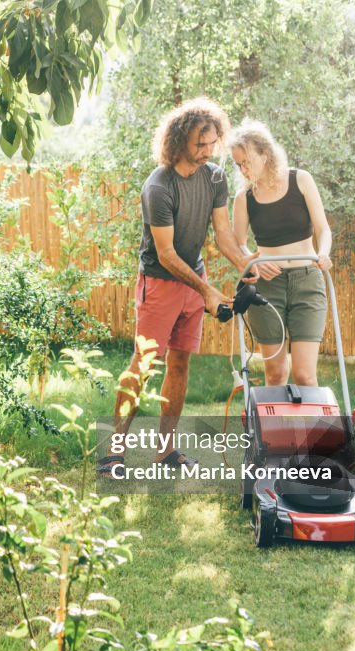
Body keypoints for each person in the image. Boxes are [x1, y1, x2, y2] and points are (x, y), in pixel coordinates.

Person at [98, 98, 257, 476]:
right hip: (160, 282)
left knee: (181, 364)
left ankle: (166, 452)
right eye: (200, 144)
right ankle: (113, 454)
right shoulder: (159, 186)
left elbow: (222, 235)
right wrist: (206, 291)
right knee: (145, 364)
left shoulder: (215, 178)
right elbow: (167, 254)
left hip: (193, 282)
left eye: (212, 143)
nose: (207, 152)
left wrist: (247, 265)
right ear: (180, 140)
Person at [228, 119, 334, 386]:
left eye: (247, 161)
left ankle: (309, 429)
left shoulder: (301, 180)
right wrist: (255, 262)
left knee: (304, 375)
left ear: (265, 153)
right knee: (275, 374)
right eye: (238, 164)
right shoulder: (244, 198)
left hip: (307, 281)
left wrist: (324, 252)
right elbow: (238, 243)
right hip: (268, 286)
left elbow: (323, 229)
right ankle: (274, 429)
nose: (243, 168)